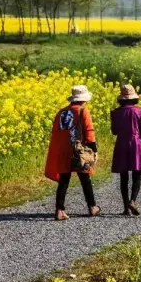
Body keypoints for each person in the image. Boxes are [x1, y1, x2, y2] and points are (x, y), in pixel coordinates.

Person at [45, 85, 101, 220]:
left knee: (64, 180)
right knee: (85, 178)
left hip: (63, 150)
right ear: (84, 99)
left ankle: (60, 210)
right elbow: (89, 132)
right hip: (78, 150)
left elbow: (56, 132)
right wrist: (94, 150)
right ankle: (92, 207)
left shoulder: (61, 112)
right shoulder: (83, 110)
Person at [110, 84, 141, 216]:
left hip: (121, 144)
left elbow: (114, 131)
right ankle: (133, 201)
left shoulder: (116, 112)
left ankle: (125, 208)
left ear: (121, 99)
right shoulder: (139, 111)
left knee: (123, 177)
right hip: (136, 144)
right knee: (137, 174)